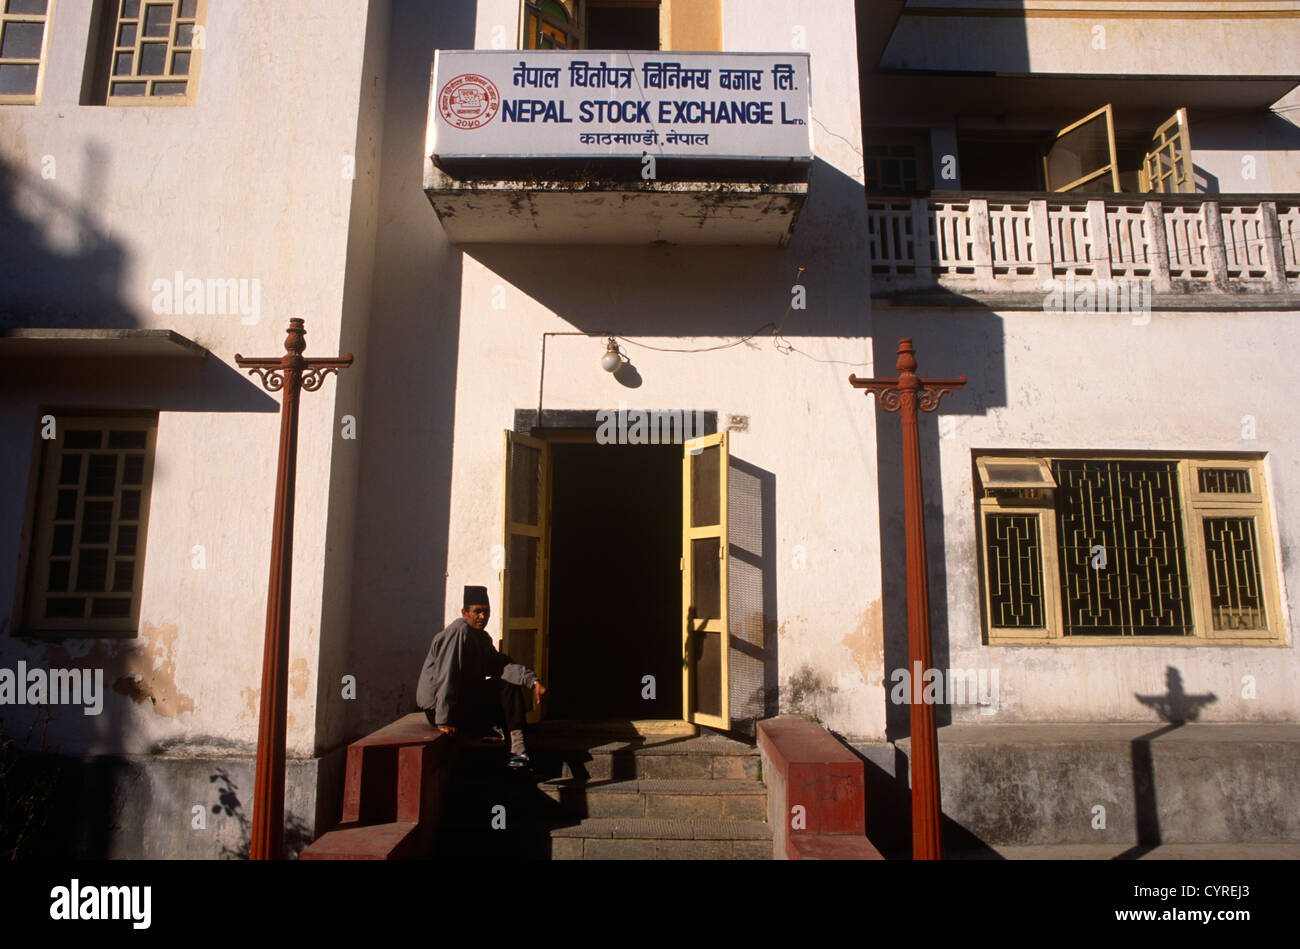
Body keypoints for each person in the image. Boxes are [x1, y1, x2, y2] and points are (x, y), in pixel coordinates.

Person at [416, 585, 547, 768]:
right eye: (477, 612)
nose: (482, 617)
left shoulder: (482, 638)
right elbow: (447, 676)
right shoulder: (458, 633)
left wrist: (533, 681)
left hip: (463, 702)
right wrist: (444, 721)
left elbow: (501, 665)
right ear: (464, 612)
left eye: (486, 612)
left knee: (508, 685)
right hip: (440, 709)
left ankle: (518, 750)